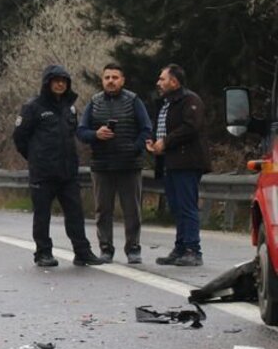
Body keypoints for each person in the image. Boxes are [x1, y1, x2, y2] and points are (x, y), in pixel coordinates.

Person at [13, 64, 103, 267]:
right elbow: (19, 137)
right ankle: (43, 253)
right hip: (43, 173)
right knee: (42, 215)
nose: (60, 84)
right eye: (56, 81)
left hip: (68, 171)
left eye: (64, 81)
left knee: (75, 213)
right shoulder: (33, 107)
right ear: (48, 83)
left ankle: (82, 252)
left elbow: (73, 134)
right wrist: (36, 158)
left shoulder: (70, 107)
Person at [77, 64, 153, 264]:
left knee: (132, 210)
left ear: (123, 80)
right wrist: (96, 134)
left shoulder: (134, 101)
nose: (111, 81)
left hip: (129, 165)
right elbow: (81, 131)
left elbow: (146, 128)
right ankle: (105, 248)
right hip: (102, 165)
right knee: (103, 210)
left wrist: (135, 148)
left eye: (115, 77)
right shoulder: (94, 102)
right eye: (107, 77)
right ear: (102, 80)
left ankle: (133, 248)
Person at [145, 63, 211, 266]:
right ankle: (181, 246)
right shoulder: (166, 103)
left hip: (187, 161)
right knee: (176, 207)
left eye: (162, 79)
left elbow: (190, 127)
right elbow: (164, 127)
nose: (159, 83)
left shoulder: (190, 100)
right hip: (169, 161)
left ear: (174, 81)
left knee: (187, 206)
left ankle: (193, 249)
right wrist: (154, 141)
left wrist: (165, 141)